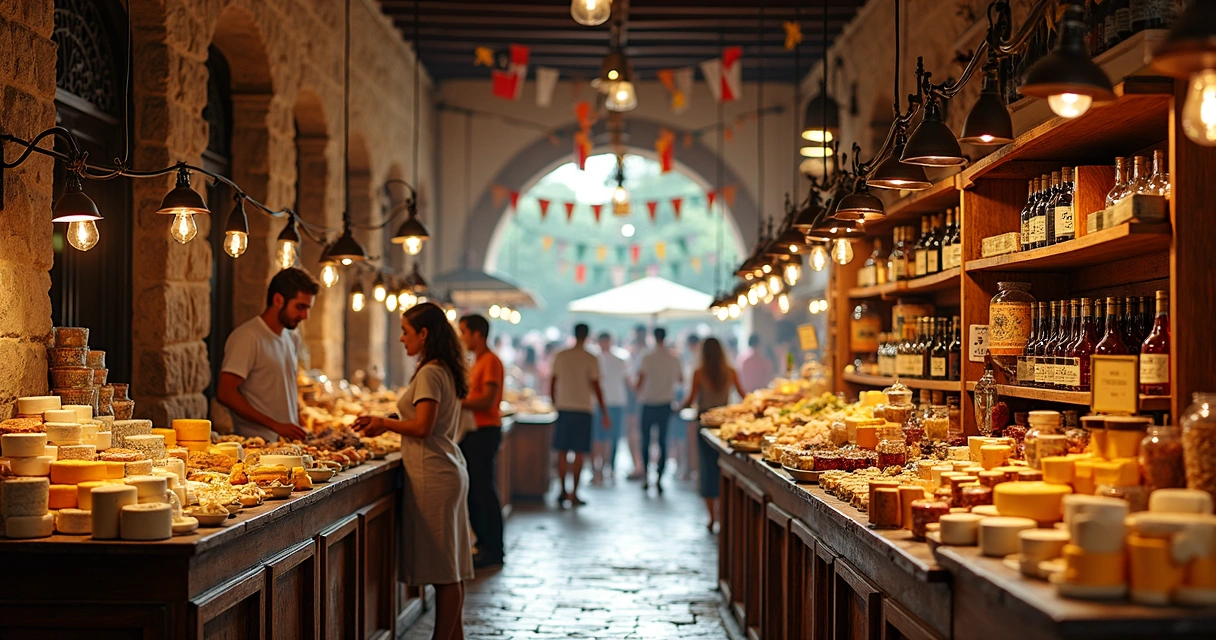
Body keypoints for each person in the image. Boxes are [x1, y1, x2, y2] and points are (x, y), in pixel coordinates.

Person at [354, 302, 473, 640]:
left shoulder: (431, 372)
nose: (401, 338)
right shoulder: (442, 368)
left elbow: (423, 426)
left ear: (424, 333)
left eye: (406, 331)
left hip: (435, 474)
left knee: (445, 571)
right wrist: (387, 424)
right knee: (450, 567)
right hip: (443, 467)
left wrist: (384, 422)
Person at [216, 267, 317, 442]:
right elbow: (225, 393)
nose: (305, 316)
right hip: (258, 445)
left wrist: (297, 421)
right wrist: (276, 425)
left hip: (287, 444)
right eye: (300, 307)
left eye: (307, 308)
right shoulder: (248, 337)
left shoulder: (291, 337)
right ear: (278, 300)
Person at [681, 337, 747, 532]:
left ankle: (712, 517)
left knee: (707, 470)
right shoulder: (731, 372)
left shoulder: (699, 373)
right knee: (724, 470)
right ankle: (723, 514)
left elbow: (690, 400)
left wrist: (679, 406)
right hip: (725, 428)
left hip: (704, 427)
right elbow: (744, 396)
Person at [458, 314, 506, 569]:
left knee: (483, 491)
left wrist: (453, 400)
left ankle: (493, 549)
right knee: (476, 491)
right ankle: (484, 545)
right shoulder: (478, 362)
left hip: (485, 430)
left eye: (464, 332)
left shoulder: (490, 361)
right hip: (475, 431)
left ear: (477, 334)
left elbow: (487, 400)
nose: (462, 337)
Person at [550, 323, 610, 506]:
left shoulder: (561, 355)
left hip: (564, 407)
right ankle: (574, 493)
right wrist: (604, 410)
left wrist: (554, 402)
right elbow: (596, 386)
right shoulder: (590, 357)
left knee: (562, 450)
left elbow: (552, 382)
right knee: (578, 452)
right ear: (588, 335)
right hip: (583, 409)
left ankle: (562, 491)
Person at [634, 327, 683, 493]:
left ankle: (647, 477)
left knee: (646, 441)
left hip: (648, 403)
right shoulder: (673, 358)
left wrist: (637, 391)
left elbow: (639, 382)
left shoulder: (647, 357)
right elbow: (681, 379)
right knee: (663, 441)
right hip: (665, 403)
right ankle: (660, 477)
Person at [591, 332, 628, 484]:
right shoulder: (598, 359)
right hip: (606, 401)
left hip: (612, 401)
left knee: (607, 437)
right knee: (602, 437)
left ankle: (605, 467)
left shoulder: (618, 360)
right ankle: (601, 468)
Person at [624, 324, 648, 480]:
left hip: (638, 397)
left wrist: (632, 385)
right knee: (636, 434)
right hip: (640, 398)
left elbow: (638, 380)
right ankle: (639, 465)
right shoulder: (638, 353)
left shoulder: (643, 354)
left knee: (635, 433)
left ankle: (639, 466)